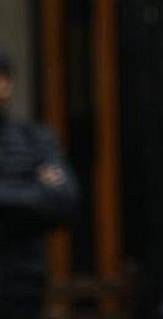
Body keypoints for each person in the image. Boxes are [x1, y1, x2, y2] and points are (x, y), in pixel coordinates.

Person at [0, 50, 79, 317]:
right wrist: (32, 190)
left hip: (22, 287)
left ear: (7, 83)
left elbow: (63, 200)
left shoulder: (34, 140)